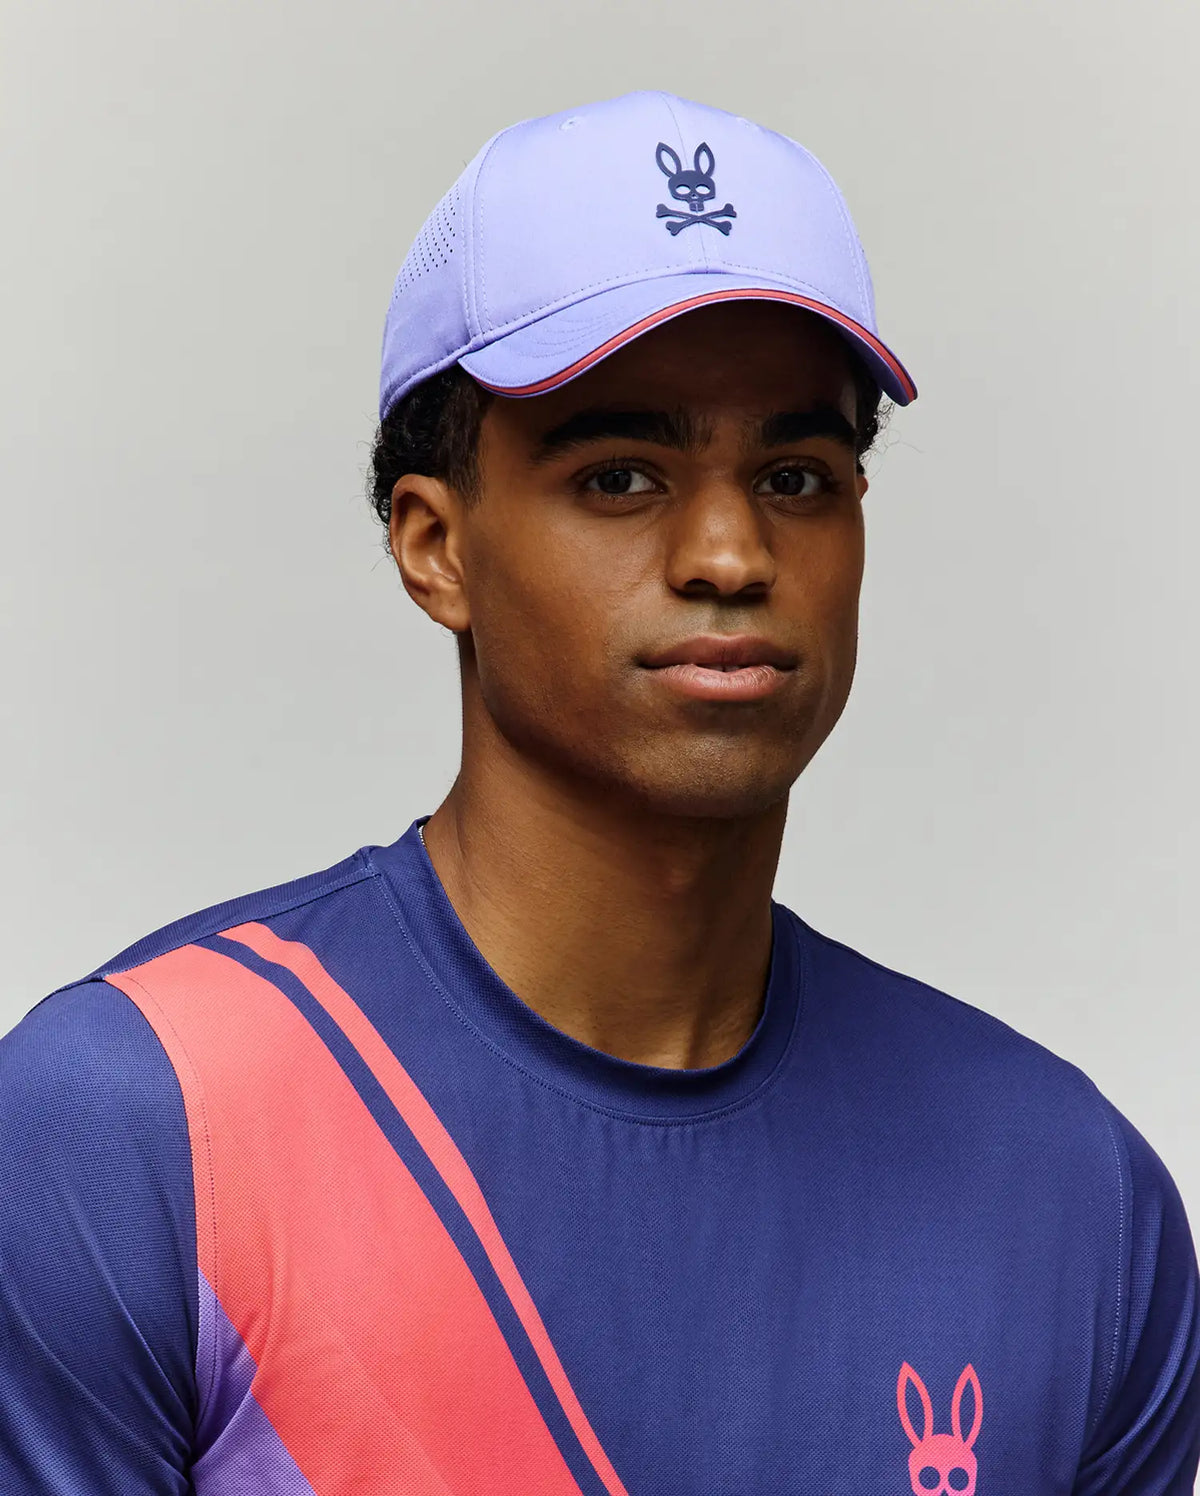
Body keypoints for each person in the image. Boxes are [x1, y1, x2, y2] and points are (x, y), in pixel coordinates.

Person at [1, 90, 1196, 1496]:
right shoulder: (142, 1126)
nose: (730, 553)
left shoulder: (1065, 1196)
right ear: (435, 546)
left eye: (798, 474)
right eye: (623, 474)